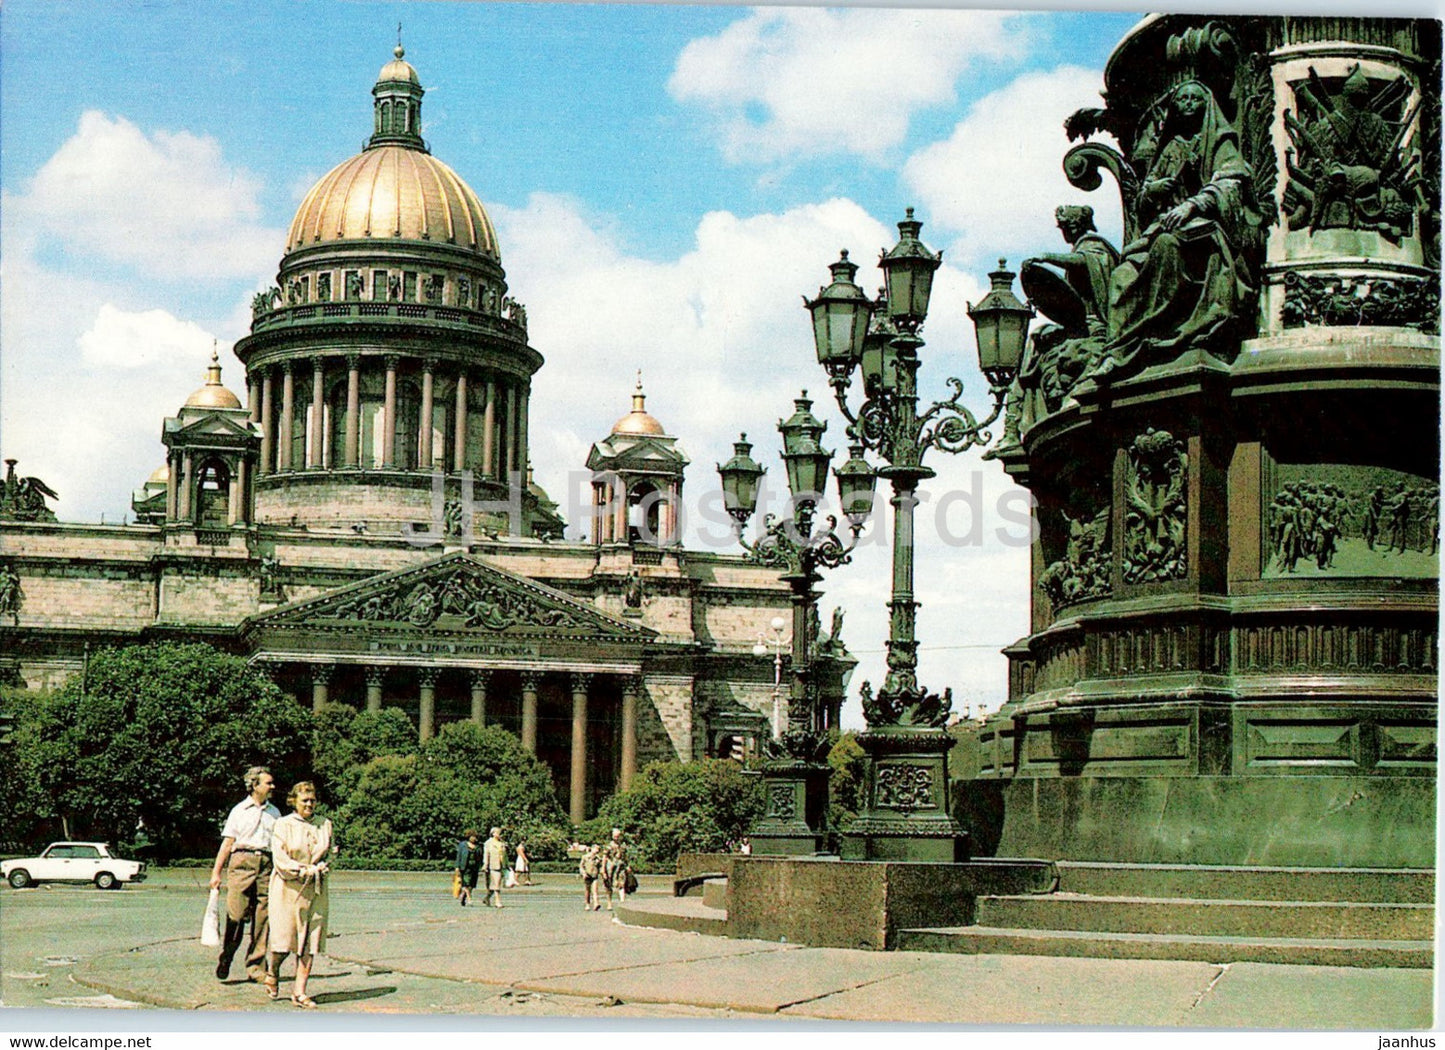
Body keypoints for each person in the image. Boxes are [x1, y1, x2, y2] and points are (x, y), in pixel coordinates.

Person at [1092, 79, 1256, 382]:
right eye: (1183, 99)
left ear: (1207, 105)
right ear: (1175, 107)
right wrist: (1154, 189)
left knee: (1167, 247)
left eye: (1196, 98)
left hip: (1202, 231)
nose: (1190, 103)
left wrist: (1192, 205)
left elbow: (1231, 181)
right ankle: (1117, 350)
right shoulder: (1171, 147)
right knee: (1122, 274)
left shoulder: (1219, 142)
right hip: (1164, 229)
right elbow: (1142, 202)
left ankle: (1157, 336)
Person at [209, 765, 279, 988]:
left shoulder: (274, 813)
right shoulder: (239, 811)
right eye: (268, 783)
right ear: (254, 785)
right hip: (241, 863)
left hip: (267, 865)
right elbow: (227, 843)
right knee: (236, 915)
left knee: (263, 918)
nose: (272, 786)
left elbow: (280, 846)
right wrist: (216, 872)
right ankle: (227, 956)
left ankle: (256, 966)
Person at [268, 781, 333, 1009]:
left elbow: (331, 853)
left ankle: (300, 992)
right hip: (288, 889)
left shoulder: (325, 824)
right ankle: (272, 971)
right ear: (293, 801)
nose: (309, 804)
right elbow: (280, 860)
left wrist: (323, 866)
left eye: (312, 800)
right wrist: (301, 869)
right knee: (284, 943)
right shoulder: (282, 825)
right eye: (304, 800)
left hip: (315, 889)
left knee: (309, 942)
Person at [601, 827, 631, 911]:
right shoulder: (608, 846)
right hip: (610, 866)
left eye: (617, 836)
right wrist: (603, 869)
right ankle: (609, 902)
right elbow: (604, 857)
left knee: (621, 882)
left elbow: (625, 856)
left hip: (620, 866)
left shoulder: (623, 845)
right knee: (608, 884)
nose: (616, 838)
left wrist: (627, 865)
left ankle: (622, 901)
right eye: (615, 836)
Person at [454, 830, 481, 907]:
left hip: (474, 867)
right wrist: (457, 866)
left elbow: (480, 857)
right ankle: (469, 898)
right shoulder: (463, 845)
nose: (475, 838)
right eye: (473, 837)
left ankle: (463, 895)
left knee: (472, 885)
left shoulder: (478, 846)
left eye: (476, 837)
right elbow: (458, 856)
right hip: (465, 867)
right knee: (466, 883)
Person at [482, 827, 507, 908]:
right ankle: (497, 901)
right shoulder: (488, 843)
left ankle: (487, 898)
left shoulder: (502, 843)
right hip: (493, 866)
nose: (500, 834)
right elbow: (486, 854)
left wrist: (507, 865)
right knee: (496, 884)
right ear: (493, 833)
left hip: (501, 865)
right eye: (498, 833)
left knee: (495, 884)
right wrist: (485, 864)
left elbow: (505, 856)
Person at [579, 843, 603, 911]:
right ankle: (587, 904)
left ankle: (596, 903)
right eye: (596, 849)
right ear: (592, 849)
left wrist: (602, 873)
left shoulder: (598, 859)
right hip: (587, 875)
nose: (597, 850)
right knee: (587, 890)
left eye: (598, 849)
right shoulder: (585, 857)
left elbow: (600, 867)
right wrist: (583, 873)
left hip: (594, 875)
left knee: (595, 890)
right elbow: (581, 866)